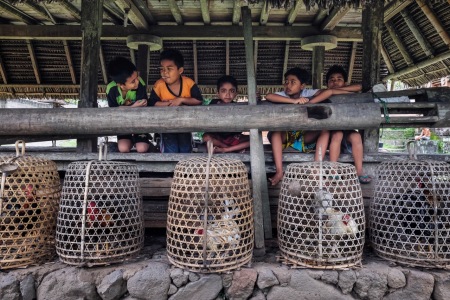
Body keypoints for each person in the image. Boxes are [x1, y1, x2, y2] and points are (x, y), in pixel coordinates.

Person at [265, 67, 336, 186]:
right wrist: (294, 101)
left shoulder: (307, 93)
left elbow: (326, 92)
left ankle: (315, 169)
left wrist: (310, 103)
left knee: (325, 130)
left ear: (302, 86)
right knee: (275, 132)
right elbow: (269, 96)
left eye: (293, 82)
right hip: (285, 136)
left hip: (303, 137)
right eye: (286, 81)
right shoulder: (282, 95)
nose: (288, 85)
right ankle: (279, 171)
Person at [309, 65, 371, 184]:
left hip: (346, 130)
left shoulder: (351, 95)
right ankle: (333, 170)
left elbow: (359, 87)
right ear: (327, 84)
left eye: (339, 79)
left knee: (356, 136)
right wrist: (331, 92)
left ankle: (359, 171)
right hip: (329, 132)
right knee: (337, 134)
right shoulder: (324, 94)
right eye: (331, 80)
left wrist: (339, 91)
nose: (335, 81)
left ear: (345, 82)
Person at [149, 49, 203, 153]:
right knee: (171, 150)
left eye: (169, 69)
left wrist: (181, 100)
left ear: (180, 70)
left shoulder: (188, 83)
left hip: (185, 124)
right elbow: (152, 103)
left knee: (185, 150)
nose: (165, 72)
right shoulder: (159, 85)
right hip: (166, 124)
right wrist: (169, 104)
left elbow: (198, 100)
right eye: (162, 69)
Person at [106, 56, 150, 153]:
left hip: (140, 123)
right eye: (133, 81)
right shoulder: (111, 89)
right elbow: (113, 111)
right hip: (123, 124)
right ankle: (133, 140)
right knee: (123, 148)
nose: (137, 82)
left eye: (137, 77)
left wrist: (123, 108)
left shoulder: (140, 84)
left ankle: (143, 141)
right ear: (120, 85)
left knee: (141, 148)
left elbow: (143, 105)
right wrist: (133, 106)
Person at [202, 75, 250, 153]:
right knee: (206, 137)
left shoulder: (238, 107)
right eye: (223, 91)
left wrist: (256, 100)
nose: (227, 95)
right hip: (217, 138)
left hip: (233, 138)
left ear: (236, 93)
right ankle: (229, 148)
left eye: (232, 91)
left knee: (254, 139)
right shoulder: (213, 104)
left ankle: (226, 149)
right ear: (218, 93)